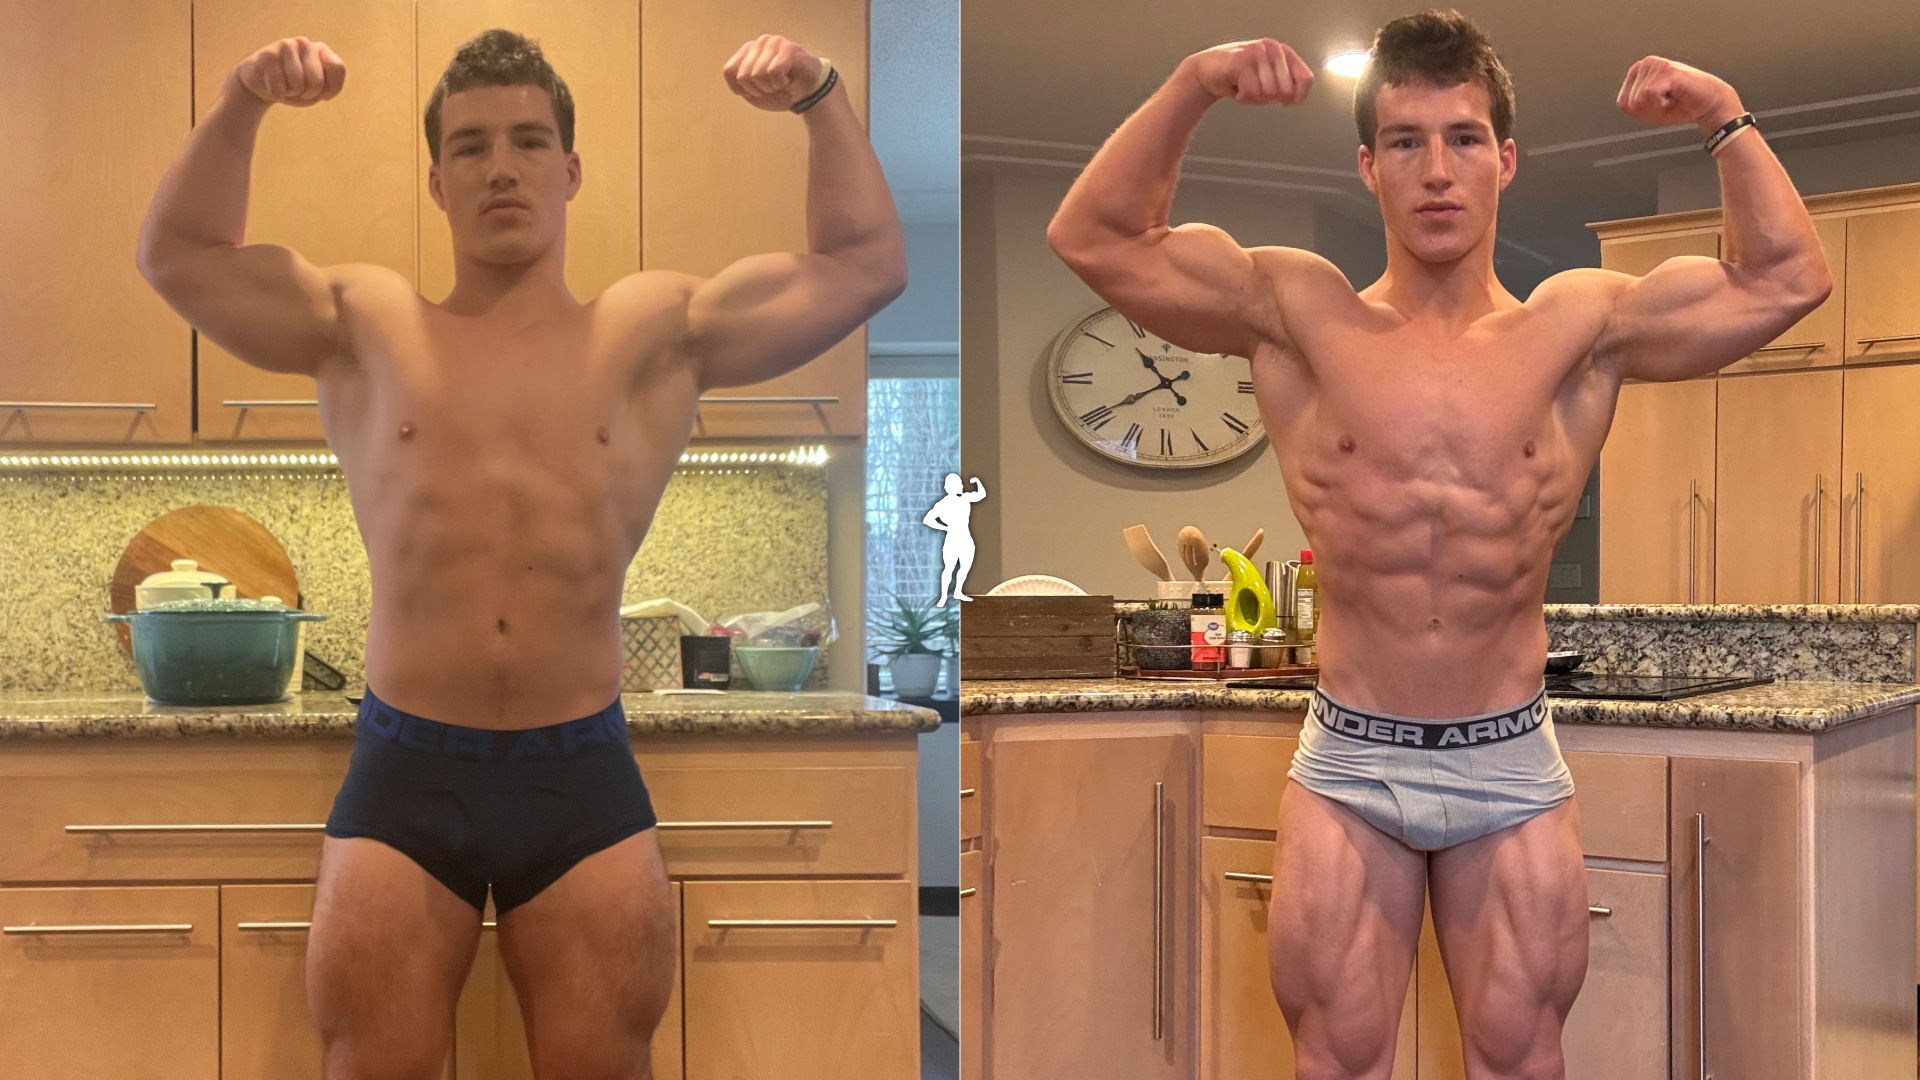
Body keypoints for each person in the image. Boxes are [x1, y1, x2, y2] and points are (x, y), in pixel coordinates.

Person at [1046, 10, 1827, 1079]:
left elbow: (1785, 280)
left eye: (1463, 137)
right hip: (1352, 756)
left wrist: (1720, 113)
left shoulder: (1579, 323)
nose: (1437, 170)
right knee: (1342, 1059)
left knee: (1518, 1058)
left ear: (1506, 159)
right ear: (1369, 167)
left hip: (1506, 758)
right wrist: (1194, 81)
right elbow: (1094, 238)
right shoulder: (1295, 311)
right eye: (1405, 141)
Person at [136, 29, 904, 1080]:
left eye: (531, 141)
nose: (502, 165)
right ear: (439, 181)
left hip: (578, 771)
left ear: (571, 170)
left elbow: (865, 267)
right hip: (407, 767)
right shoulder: (362, 323)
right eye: (473, 146)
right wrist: (241, 99)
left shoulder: (656, 331)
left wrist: (821, 96)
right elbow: (179, 256)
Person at [924, 473, 987, 605]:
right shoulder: (942, 504)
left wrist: (977, 482)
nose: (962, 486)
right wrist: (945, 528)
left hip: (966, 539)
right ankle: (944, 596)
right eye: (959, 484)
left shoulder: (965, 498)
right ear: (951, 487)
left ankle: (958, 591)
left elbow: (981, 495)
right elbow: (928, 519)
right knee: (949, 568)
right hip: (952, 540)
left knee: (965, 567)